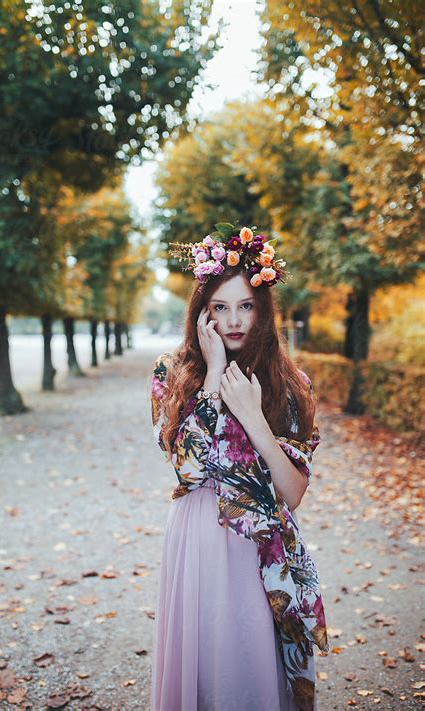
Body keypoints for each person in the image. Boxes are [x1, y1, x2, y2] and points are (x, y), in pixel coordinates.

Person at [148, 224, 329, 711]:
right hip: (200, 535)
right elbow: (187, 471)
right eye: (220, 307)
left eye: (246, 305)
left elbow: (292, 492)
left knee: (253, 666)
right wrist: (210, 377)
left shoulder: (291, 384)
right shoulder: (174, 372)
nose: (234, 320)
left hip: (263, 540)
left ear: (263, 309)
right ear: (203, 313)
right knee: (205, 666)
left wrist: (252, 417)